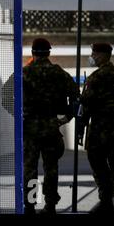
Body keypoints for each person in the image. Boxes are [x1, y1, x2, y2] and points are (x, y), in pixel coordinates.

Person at [22, 38, 79, 214]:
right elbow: (76, 97)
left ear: (33, 53)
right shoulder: (59, 73)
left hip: (30, 128)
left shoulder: (24, 73)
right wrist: (67, 118)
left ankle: (30, 205)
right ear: (48, 53)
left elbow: (6, 97)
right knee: (51, 168)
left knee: (30, 168)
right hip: (51, 126)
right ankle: (50, 205)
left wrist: (20, 115)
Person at [79, 43, 114, 214]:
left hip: (98, 129)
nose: (92, 57)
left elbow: (85, 106)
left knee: (99, 165)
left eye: (94, 53)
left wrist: (80, 128)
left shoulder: (95, 78)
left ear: (102, 55)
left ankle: (106, 201)